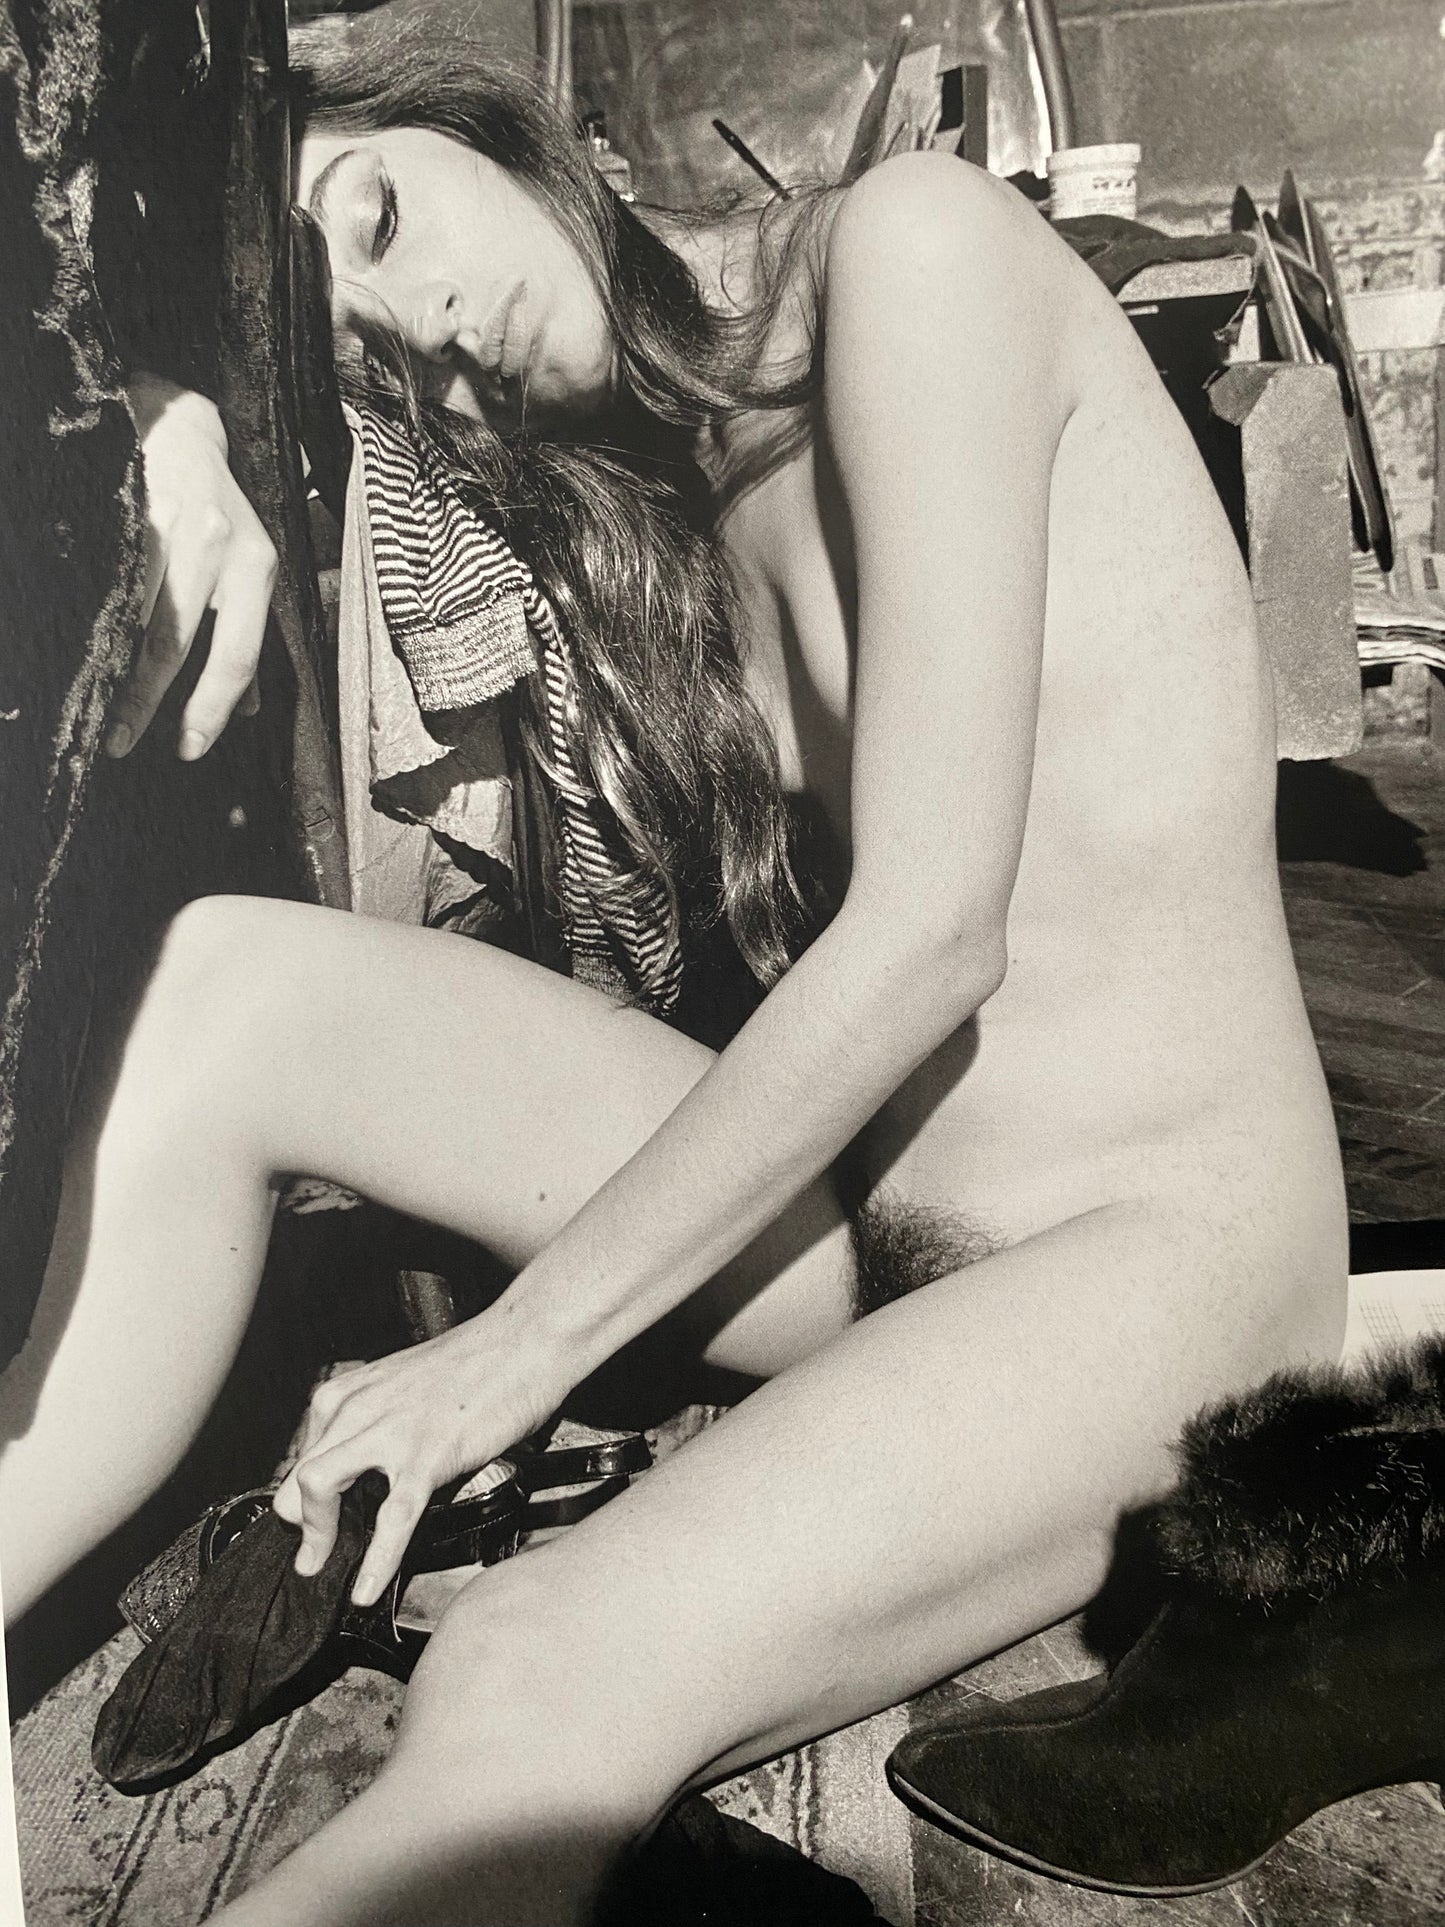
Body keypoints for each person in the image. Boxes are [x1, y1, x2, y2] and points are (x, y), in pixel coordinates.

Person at [0, 14, 1348, 1924]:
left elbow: (933, 930)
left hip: (1147, 1258)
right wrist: (177, 417)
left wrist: (501, 1360)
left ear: (472, 125)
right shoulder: (641, 490)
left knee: (531, 1669)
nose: (430, 335)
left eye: (379, 220)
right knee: (224, 985)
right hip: (858, 1219)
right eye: (372, 363)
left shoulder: (914, 250)